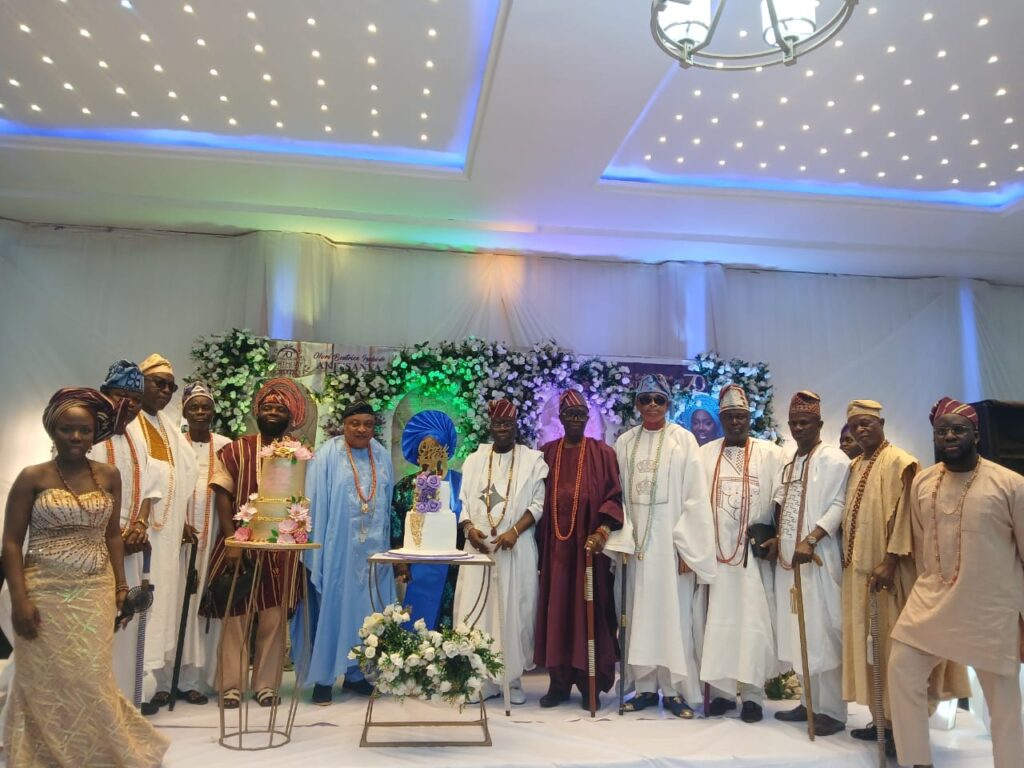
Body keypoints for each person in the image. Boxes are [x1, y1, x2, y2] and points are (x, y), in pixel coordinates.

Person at [2, 388, 169, 766]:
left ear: (95, 434)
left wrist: (121, 586)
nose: (76, 437)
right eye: (67, 429)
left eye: (84, 430)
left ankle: (97, 754)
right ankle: (40, 756)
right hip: (43, 590)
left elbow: (112, 536)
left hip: (94, 588)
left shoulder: (109, 475)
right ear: (52, 430)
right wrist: (19, 600)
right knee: (40, 678)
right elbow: (11, 543)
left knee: (90, 677)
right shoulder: (32, 477)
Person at [889, 398, 1024, 768]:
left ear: (976, 435)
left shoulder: (1010, 484)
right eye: (942, 431)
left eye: (958, 430)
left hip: (990, 612)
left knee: (1005, 705)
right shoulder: (923, 481)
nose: (949, 436)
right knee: (902, 669)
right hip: (932, 602)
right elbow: (921, 544)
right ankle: (917, 762)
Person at [607, 374, 715, 719]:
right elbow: (617, 495)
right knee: (637, 616)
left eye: (659, 399)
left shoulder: (683, 441)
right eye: (645, 399)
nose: (652, 405)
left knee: (673, 616)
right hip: (636, 547)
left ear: (669, 403)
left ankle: (673, 691)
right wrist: (621, 539)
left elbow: (696, 497)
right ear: (636, 405)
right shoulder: (624, 442)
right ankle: (644, 688)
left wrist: (689, 548)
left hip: (672, 548)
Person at [206, 377, 310, 709]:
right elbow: (222, 493)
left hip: (283, 549)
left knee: (274, 617)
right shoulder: (235, 450)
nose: (273, 412)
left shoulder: (300, 454)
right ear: (257, 412)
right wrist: (231, 540)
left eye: (280, 408)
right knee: (236, 615)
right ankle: (231, 686)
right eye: (267, 407)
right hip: (240, 545)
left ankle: (266, 685)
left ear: (291, 416)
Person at [301, 400, 399, 706]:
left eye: (368, 424)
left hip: (373, 553)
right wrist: (316, 550)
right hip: (337, 551)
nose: (361, 429)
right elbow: (314, 501)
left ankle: (357, 674)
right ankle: (324, 679)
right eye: (355, 423)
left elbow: (387, 502)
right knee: (334, 610)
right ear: (344, 425)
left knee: (368, 611)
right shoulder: (327, 454)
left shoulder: (381, 455)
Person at [698, 384, 784, 723]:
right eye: (730, 417)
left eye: (741, 417)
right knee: (719, 624)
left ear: (750, 418)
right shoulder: (705, 454)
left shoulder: (771, 453)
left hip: (752, 559)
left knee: (752, 624)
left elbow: (783, 494)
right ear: (721, 419)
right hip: (717, 556)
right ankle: (721, 693)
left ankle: (752, 697)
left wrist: (775, 531)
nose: (735, 422)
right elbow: (693, 501)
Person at [454, 398, 548, 704]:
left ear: (516, 425)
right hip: (478, 548)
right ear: (491, 426)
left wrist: (514, 531)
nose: (503, 428)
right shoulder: (474, 460)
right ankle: (479, 678)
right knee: (477, 610)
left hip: (516, 548)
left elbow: (538, 505)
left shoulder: (532, 460)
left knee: (515, 611)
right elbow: (463, 502)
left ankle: (513, 679)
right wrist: (469, 529)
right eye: (498, 423)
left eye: (508, 423)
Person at [535, 389, 624, 709]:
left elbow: (614, 497)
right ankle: (558, 683)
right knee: (557, 612)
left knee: (592, 613)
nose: (575, 420)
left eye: (581, 415)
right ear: (560, 418)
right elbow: (534, 499)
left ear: (588, 418)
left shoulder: (603, 454)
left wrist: (602, 531)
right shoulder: (546, 454)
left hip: (590, 551)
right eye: (570, 415)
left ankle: (590, 685)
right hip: (555, 552)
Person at [767, 391, 849, 735]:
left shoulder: (834, 459)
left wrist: (812, 538)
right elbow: (782, 503)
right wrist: (778, 538)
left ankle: (833, 711)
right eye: (794, 423)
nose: (799, 428)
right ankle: (809, 702)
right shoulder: (790, 460)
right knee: (796, 631)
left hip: (817, 559)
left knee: (822, 632)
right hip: (789, 562)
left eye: (805, 422)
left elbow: (839, 505)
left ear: (820, 424)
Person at [92, 359, 164, 701]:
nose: (129, 405)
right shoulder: (85, 434)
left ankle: (122, 702)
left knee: (127, 621)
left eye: (135, 399)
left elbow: (150, 488)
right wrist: (114, 537)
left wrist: (139, 524)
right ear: (104, 394)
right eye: (121, 396)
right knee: (94, 624)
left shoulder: (139, 438)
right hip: (92, 548)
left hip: (131, 546)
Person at [136, 353, 199, 715]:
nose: (165, 391)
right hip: (137, 536)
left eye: (171, 387)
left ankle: (147, 687)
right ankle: (133, 688)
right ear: (140, 382)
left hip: (166, 534)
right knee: (137, 605)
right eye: (158, 383)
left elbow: (184, 476)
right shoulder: (128, 425)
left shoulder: (167, 428)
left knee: (159, 606)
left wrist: (180, 518)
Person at [174, 381, 231, 701]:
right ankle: (165, 681)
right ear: (183, 411)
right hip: (176, 541)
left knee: (203, 610)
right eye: (193, 407)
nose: (199, 412)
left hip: (212, 541)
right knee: (174, 606)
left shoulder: (224, 445)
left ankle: (196, 681)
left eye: (205, 407)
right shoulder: (173, 443)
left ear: (213, 412)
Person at [390, 409, 463, 629]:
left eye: (436, 447)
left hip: (455, 570)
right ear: (417, 452)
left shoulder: (461, 484)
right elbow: (396, 528)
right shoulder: (404, 487)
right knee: (417, 623)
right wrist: (401, 563)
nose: (431, 454)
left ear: (445, 449)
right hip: (417, 569)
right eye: (425, 449)